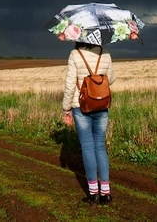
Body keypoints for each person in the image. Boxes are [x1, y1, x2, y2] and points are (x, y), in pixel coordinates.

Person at [61, 41, 115, 205]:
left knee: (87, 147)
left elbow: (70, 84)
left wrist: (66, 109)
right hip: (102, 106)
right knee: (100, 146)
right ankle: (106, 193)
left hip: (81, 106)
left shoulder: (75, 54)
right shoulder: (105, 53)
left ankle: (93, 193)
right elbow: (111, 80)